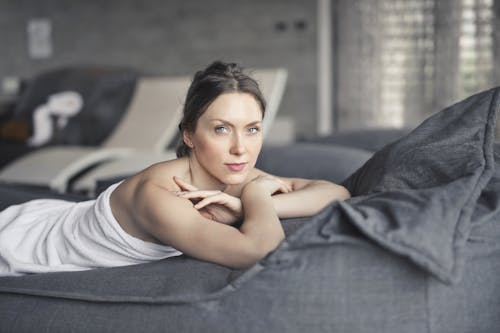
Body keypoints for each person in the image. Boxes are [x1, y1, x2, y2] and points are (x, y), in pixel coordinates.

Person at [0, 61, 350, 276]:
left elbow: (336, 192)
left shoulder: (235, 173)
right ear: (189, 135)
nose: (241, 148)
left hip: (62, 212)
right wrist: (258, 193)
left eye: (252, 129)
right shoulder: (161, 195)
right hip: (20, 240)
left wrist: (248, 203)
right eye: (221, 129)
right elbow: (259, 249)